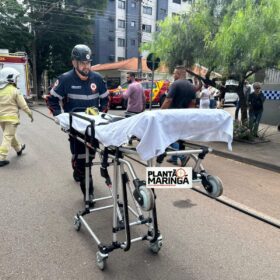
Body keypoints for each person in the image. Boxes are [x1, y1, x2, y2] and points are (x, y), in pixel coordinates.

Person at [45, 44, 109, 203]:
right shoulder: (65, 79)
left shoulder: (98, 79)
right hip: (75, 128)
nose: (86, 67)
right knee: (82, 160)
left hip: (93, 129)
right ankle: (88, 193)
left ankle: (79, 170)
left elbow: (105, 99)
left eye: (88, 63)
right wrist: (59, 116)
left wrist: (101, 115)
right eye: (82, 63)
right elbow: (51, 99)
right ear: (74, 63)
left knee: (91, 154)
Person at [161, 66, 198, 166]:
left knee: (167, 136)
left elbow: (168, 100)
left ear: (178, 74)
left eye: (174, 73)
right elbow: (193, 103)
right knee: (179, 138)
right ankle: (174, 158)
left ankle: (182, 156)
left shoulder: (175, 84)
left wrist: (160, 113)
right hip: (184, 117)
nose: (173, 75)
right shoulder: (191, 86)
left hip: (172, 116)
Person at [0, 67, 33, 167]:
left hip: (1, 119)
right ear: (10, 78)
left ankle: (19, 149)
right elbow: (23, 105)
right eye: (16, 78)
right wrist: (30, 114)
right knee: (8, 136)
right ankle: (2, 157)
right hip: (12, 119)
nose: (16, 80)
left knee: (10, 135)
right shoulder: (15, 91)